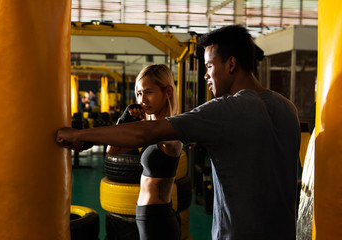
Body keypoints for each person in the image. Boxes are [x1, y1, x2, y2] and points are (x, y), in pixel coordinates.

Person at [57, 25, 300, 240]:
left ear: (231, 64)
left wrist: (81, 135)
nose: (205, 75)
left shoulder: (228, 109)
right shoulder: (287, 108)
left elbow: (148, 132)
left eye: (209, 66)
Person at [103, 64, 184, 240]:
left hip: (159, 218)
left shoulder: (172, 130)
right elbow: (112, 150)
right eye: (139, 93)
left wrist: (139, 129)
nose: (142, 100)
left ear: (168, 91)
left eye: (148, 92)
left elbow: (166, 140)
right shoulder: (149, 130)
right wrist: (124, 120)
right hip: (146, 216)